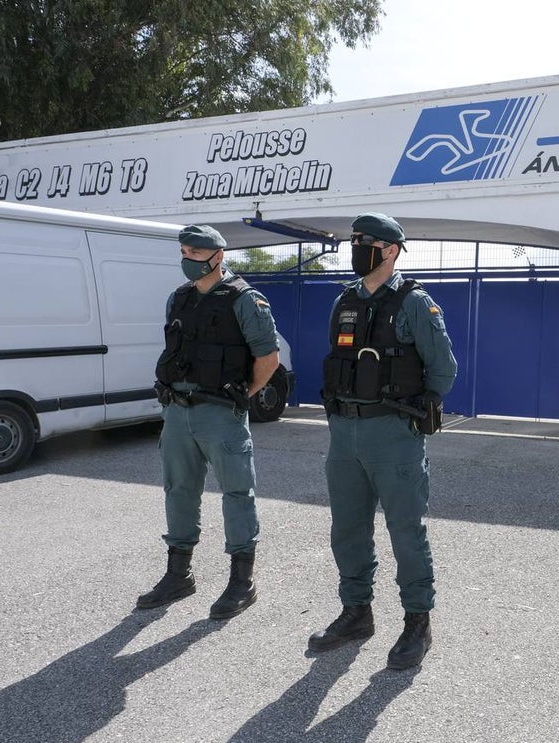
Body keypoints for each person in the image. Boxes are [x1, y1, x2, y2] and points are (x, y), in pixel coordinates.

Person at [309, 212, 457, 670]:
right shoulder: (344, 301)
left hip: (394, 434)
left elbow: (443, 371)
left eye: (365, 242)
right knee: (348, 529)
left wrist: (415, 412)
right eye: (354, 240)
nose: (357, 247)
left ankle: (417, 620)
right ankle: (357, 612)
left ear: (390, 250)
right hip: (344, 435)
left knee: (405, 531)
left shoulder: (415, 303)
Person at [137, 224, 281, 620]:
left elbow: (268, 358)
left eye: (196, 254)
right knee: (178, 491)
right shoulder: (178, 299)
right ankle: (178, 574)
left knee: (237, 494)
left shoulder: (246, 300)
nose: (188, 260)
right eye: (184, 252)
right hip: (178, 411)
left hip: (221, 414)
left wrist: (242, 396)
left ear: (217, 257)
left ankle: (241, 582)